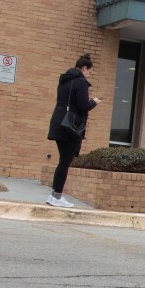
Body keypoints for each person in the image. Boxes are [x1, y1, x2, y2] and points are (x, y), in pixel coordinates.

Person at [45, 53, 101, 207]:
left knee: (63, 161)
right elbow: (83, 106)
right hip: (70, 128)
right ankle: (57, 196)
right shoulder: (80, 82)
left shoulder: (64, 80)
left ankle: (54, 195)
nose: (89, 74)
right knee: (65, 162)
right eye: (89, 71)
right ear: (84, 68)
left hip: (58, 123)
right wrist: (94, 102)